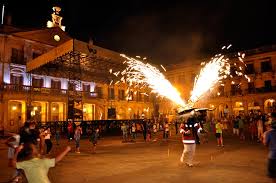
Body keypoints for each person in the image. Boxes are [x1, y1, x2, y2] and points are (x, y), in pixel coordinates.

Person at [263, 112, 276, 183]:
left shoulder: (268, 133)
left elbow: (265, 144)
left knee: (273, 176)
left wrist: (264, 137)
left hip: (273, 156)